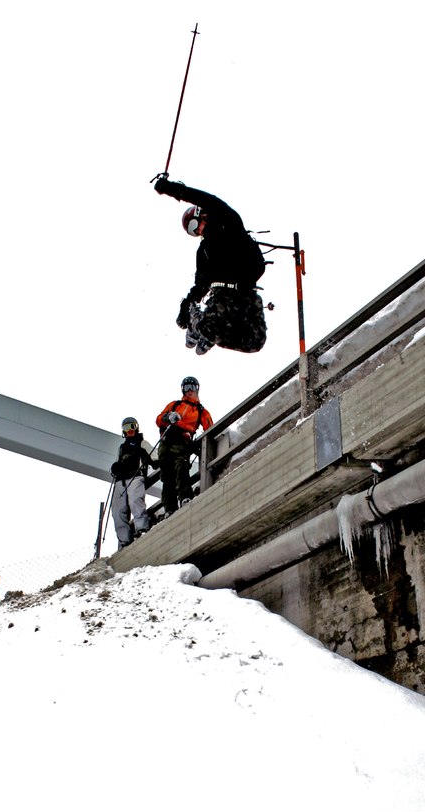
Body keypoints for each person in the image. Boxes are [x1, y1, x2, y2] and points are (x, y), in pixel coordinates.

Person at [153, 177, 267, 356]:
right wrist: (187, 304)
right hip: (224, 295)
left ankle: (209, 331)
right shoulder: (204, 250)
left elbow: (206, 199)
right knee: (214, 325)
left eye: (193, 225)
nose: (196, 231)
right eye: (192, 231)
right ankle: (201, 325)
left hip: (247, 293)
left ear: (202, 214)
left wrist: (171, 189)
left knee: (255, 341)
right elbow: (201, 284)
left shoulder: (228, 222)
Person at [155, 376, 213, 516]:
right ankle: (170, 508)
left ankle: (185, 497)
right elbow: (158, 420)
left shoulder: (200, 411)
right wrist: (168, 417)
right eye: (186, 387)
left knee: (181, 467)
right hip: (167, 440)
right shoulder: (174, 405)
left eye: (192, 387)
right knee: (167, 476)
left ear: (197, 389)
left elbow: (210, 428)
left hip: (182, 441)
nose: (189, 391)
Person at [110, 417, 158, 550]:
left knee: (135, 501)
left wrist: (155, 462)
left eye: (132, 426)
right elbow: (115, 463)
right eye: (126, 428)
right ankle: (124, 540)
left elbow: (155, 457)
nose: (130, 430)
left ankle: (142, 528)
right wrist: (115, 468)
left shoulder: (142, 443)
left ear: (137, 427)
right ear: (123, 431)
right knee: (117, 510)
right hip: (121, 481)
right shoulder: (122, 447)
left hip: (136, 477)